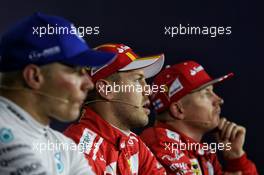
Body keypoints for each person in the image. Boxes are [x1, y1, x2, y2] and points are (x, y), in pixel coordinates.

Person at [0, 12, 115, 175]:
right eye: (77, 71)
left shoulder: (64, 146)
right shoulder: (4, 135)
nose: (89, 84)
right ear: (34, 76)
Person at [64, 43, 167, 174]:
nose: (148, 90)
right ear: (106, 89)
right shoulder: (80, 147)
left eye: (145, 81)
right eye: (137, 80)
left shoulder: (134, 144)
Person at [140, 61, 258, 175]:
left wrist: (236, 158)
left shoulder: (202, 152)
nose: (219, 100)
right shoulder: (159, 144)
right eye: (206, 93)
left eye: (213, 91)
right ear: (178, 109)